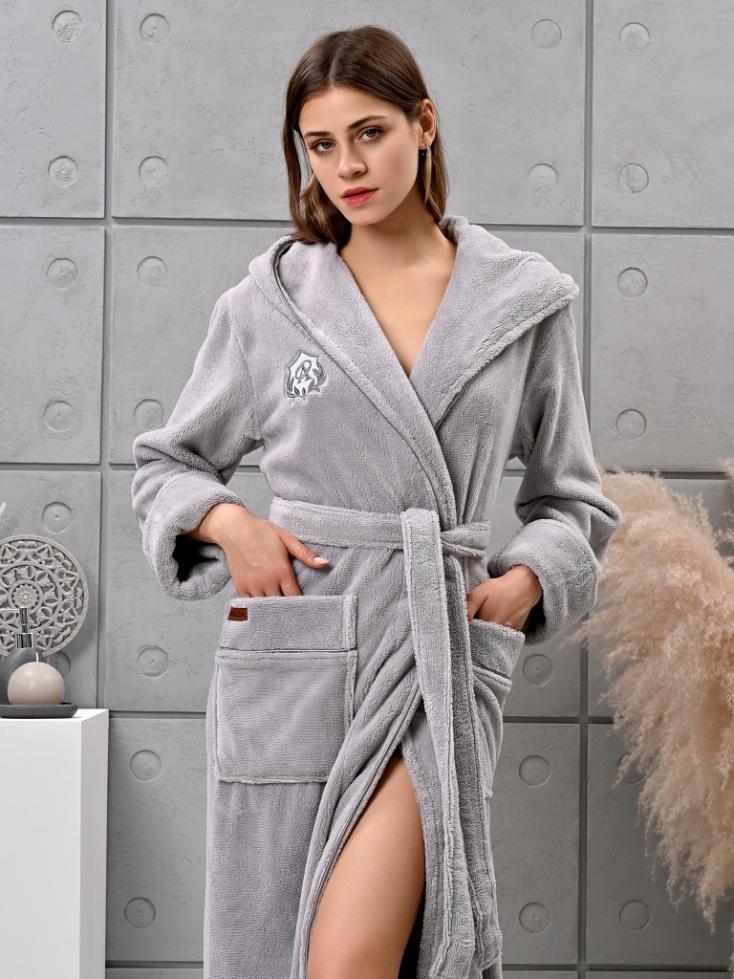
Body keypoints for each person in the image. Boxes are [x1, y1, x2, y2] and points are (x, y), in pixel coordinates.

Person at [131, 25, 623, 979]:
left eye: (370, 133)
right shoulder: (271, 304)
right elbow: (167, 465)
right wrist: (231, 524)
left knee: (350, 959)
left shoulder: (521, 304)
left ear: (423, 124)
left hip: (438, 648)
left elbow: (574, 502)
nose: (347, 167)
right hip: (304, 653)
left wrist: (522, 585)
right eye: (321, 144)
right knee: (283, 943)